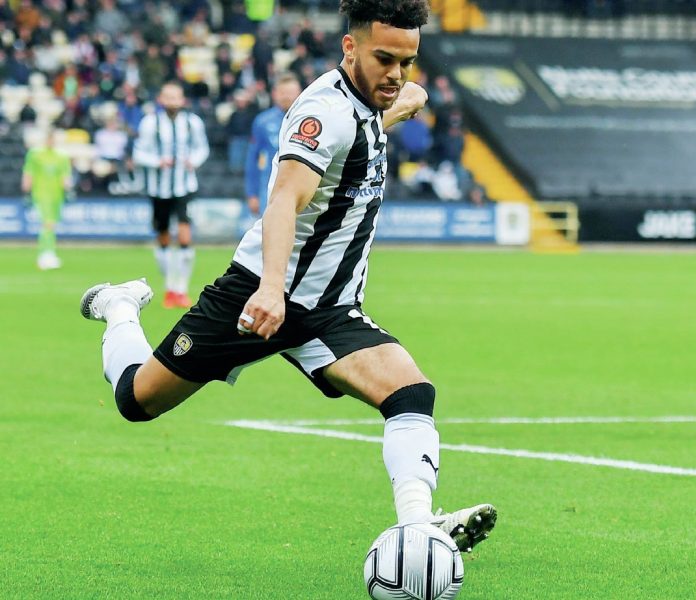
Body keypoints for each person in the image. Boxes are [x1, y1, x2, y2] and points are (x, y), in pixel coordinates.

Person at [79, 0, 496, 554]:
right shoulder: (322, 112)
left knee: (410, 391)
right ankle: (120, 307)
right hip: (257, 293)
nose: (397, 74)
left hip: (327, 309)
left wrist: (401, 100)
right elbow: (284, 202)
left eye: (407, 61)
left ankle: (419, 526)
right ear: (349, 47)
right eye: (384, 59)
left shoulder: (372, 104)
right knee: (137, 400)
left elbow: (386, 112)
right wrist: (271, 287)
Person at [132, 81, 211, 309]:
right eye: (168, 97)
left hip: (184, 187)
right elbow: (139, 152)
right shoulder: (150, 123)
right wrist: (157, 162)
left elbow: (202, 148)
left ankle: (182, 289)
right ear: (161, 99)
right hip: (158, 189)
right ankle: (169, 288)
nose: (172, 101)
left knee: (185, 236)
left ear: (183, 100)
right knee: (164, 237)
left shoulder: (192, 123)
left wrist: (193, 161)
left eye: (176, 97)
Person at [244, 73, 303, 218]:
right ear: (274, 94)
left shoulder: (308, 120)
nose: (286, 97)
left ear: (300, 93)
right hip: (270, 185)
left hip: (302, 184)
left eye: (290, 93)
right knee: (270, 231)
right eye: (282, 93)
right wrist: (252, 193)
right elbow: (253, 159)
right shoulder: (262, 121)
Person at [22, 129, 73, 270]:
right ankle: (45, 254)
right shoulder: (35, 154)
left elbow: (65, 176)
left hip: (57, 195)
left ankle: (49, 252)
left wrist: (68, 191)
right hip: (41, 194)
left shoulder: (61, 156)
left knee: (51, 225)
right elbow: (28, 173)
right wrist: (26, 191)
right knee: (47, 224)